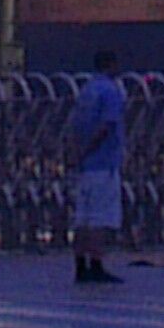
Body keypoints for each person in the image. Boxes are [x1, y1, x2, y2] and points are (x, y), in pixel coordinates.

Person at [68, 49, 127, 285]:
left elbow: (74, 125)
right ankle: (96, 265)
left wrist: (77, 154)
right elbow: (107, 126)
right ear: (111, 65)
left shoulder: (86, 90)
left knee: (82, 218)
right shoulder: (110, 91)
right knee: (100, 219)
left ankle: (80, 266)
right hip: (103, 163)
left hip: (85, 167)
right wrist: (89, 150)